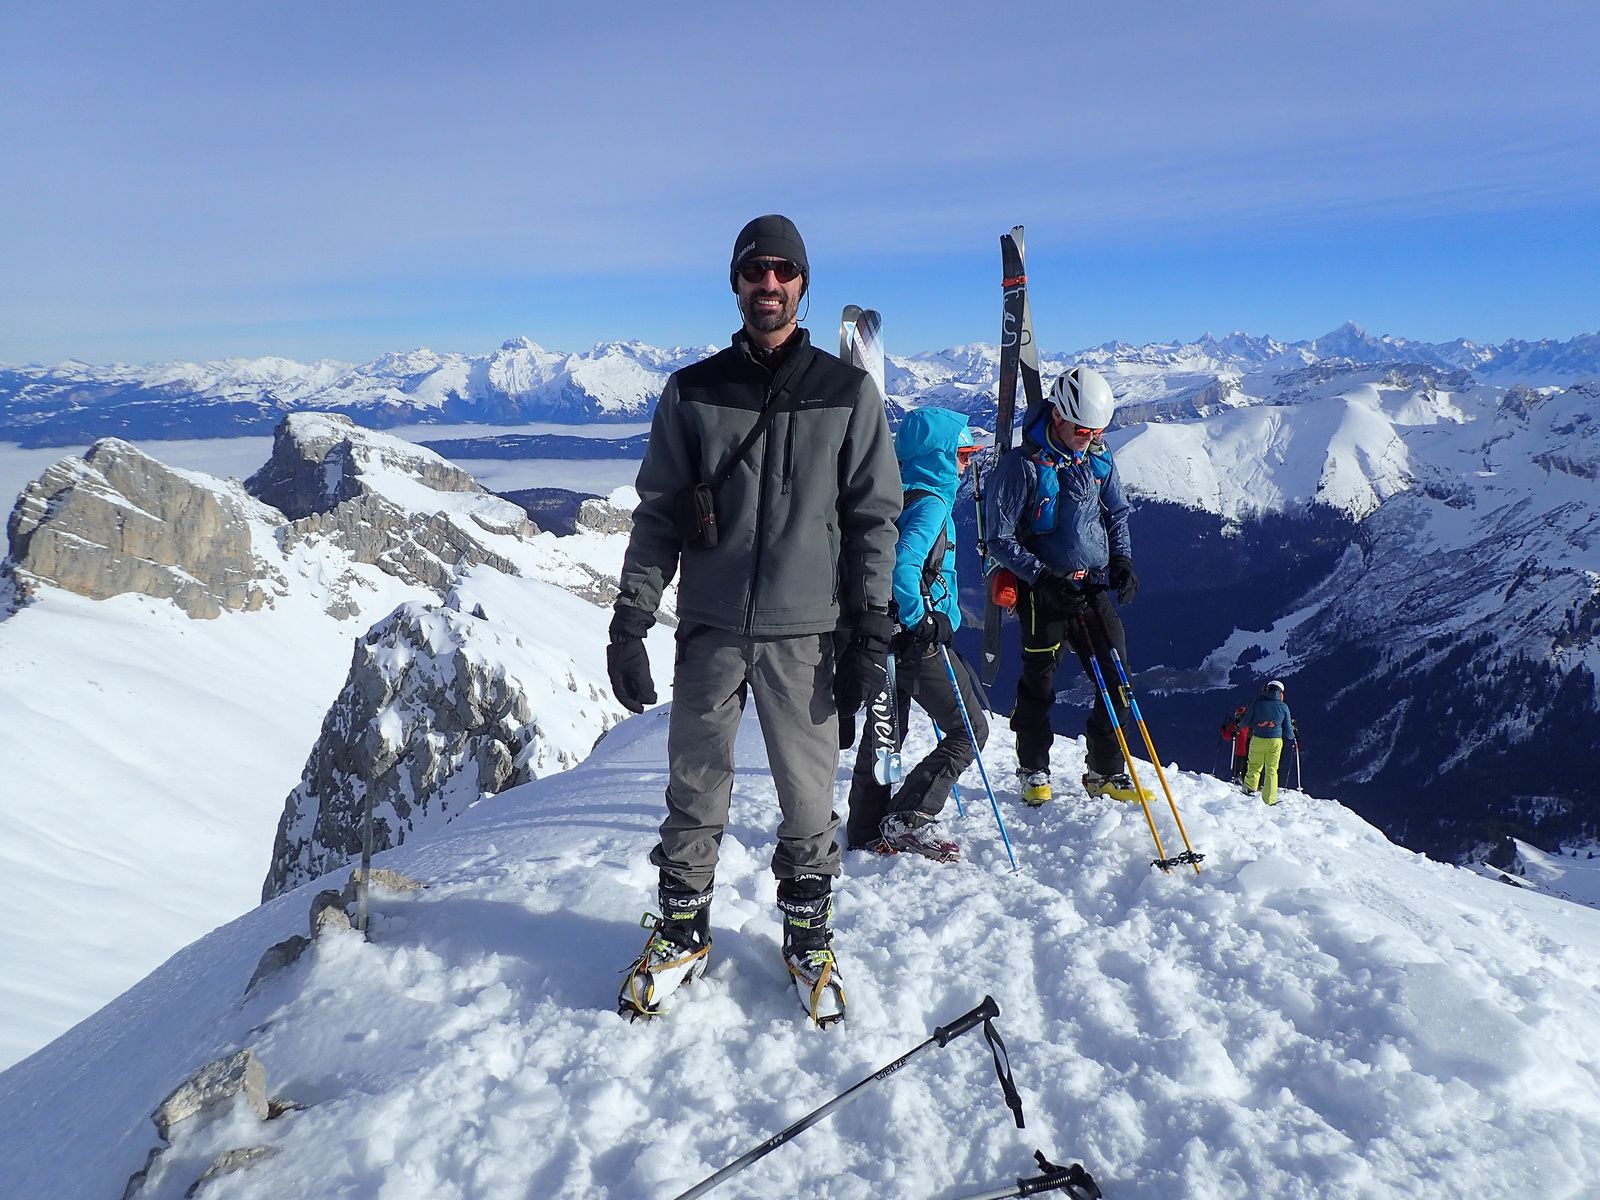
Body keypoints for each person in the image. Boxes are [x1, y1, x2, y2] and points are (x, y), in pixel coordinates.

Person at [607, 214, 900, 1027]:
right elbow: (659, 512)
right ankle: (681, 928)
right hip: (710, 627)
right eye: (753, 272)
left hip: (807, 634)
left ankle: (809, 936)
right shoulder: (694, 392)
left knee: (809, 800)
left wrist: (869, 629)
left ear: (803, 283)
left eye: (782, 271)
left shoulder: (846, 395)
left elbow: (875, 516)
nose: (767, 284)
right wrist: (630, 621)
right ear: (735, 284)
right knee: (695, 787)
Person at [983, 365, 1139, 806]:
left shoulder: (1099, 459)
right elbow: (999, 537)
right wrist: (1041, 578)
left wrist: (1123, 560)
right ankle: (1033, 768)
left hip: (1090, 588)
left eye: (1096, 431)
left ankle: (1105, 771)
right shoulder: (1023, 467)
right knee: (1039, 684)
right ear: (1057, 416)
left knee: (1117, 680)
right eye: (1082, 429)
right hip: (1045, 594)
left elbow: (1117, 514)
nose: (1089, 438)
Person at [845, 406, 989, 862]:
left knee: (888, 732)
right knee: (969, 730)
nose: (966, 465)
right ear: (939, 457)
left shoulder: (897, 497)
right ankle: (908, 818)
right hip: (918, 642)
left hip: (888, 638)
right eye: (962, 455)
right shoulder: (931, 504)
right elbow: (903, 567)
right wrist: (924, 620)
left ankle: (866, 827)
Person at [1239, 679, 1296, 805]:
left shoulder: (1257, 702)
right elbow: (1288, 731)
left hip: (1258, 738)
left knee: (1254, 765)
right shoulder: (1284, 707)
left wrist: (1240, 725)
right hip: (1275, 741)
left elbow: (1245, 721)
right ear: (1281, 693)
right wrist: (1293, 734)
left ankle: (1249, 788)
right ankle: (1269, 799)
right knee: (1271, 769)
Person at [1220, 704, 1250, 783]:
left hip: (1238, 751)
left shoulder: (1235, 725)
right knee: (1247, 766)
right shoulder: (1249, 725)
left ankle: (1237, 777)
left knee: (1237, 765)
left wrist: (1223, 730)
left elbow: (1227, 736)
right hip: (1249, 750)